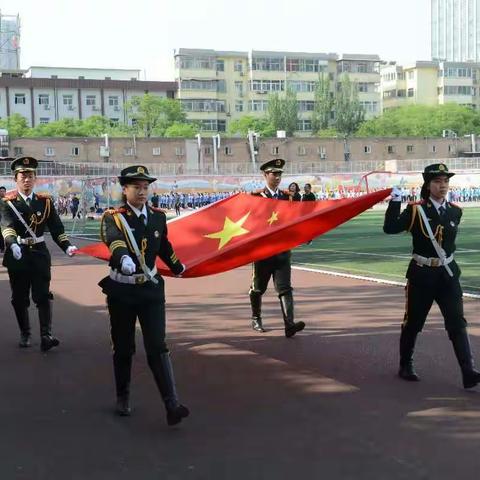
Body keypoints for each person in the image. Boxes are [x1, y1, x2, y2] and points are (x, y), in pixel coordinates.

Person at [98, 165, 189, 425]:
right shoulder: (113, 217)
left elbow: (164, 246)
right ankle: (123, 396)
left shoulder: (158, 217)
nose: (142, 191)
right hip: (123, 290)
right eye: (136, 187)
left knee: (157, 345)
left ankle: (172, 404)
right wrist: (123, 257)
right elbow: (113, 239)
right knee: (124, 346)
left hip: (150, 289)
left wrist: (177, 265)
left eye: (145, 187)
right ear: (124, 189)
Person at [384, 163, 480, 389]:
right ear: (428, 185)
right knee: (414, 322)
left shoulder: (456, 210)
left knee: (457, 322)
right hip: (422, 274)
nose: (443, 185)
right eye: (437, 181)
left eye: (445, 181)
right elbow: (390, 228)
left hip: (447, 274)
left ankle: (468, 371)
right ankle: (405, 364)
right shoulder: (417, 210)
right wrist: (396, 201)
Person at [0, 156, 77, 350]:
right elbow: (6, 226)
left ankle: (46, 335)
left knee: (43, 295)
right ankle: (25, 333)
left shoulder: (45, 202)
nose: (27, 180)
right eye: (23, 176)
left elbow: (57, 228)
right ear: (15, 179)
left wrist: (66, 245)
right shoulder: (7, 203)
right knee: (19, 298)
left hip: (39, 254)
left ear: (35, 179)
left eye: (30, 176)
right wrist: (12, 244)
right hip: (17, 255)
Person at [249, 158, 305, 337]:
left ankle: (289, 325)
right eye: (274, 173)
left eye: (280, 173)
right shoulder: (256, 197)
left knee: (285, 288)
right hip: (263, 252)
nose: (277, 176)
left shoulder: (287, 197)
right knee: (258, 288)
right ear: (265, 175)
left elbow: (295, 219)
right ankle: (256, 318)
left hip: (282, 251)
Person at [0, 184, 7, 253]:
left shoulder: (8, 200)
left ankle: (4, 248)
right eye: (1, 191)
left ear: (5, 192)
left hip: (6, 220)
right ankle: (2, 248)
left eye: (3, 191)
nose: (2, 192)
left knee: (6, 234)